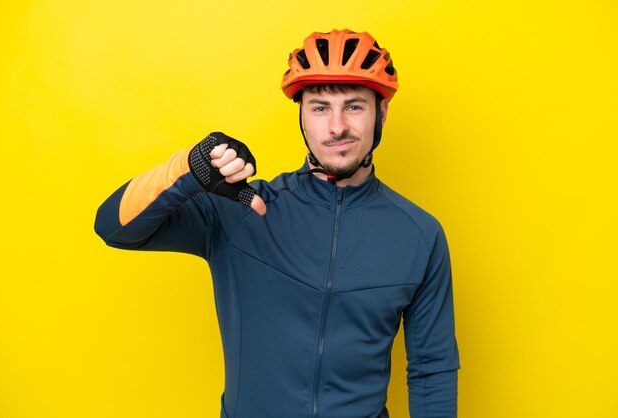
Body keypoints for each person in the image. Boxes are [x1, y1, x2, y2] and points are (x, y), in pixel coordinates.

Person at [95, 29, 460, 418]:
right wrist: (188, 168)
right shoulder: (241, 209)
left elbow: (431, 370)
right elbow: (114, 227)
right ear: (301, 115)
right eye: (320, 108)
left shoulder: (420, 234)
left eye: (354, 107)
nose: (337, 127)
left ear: (381, 113)